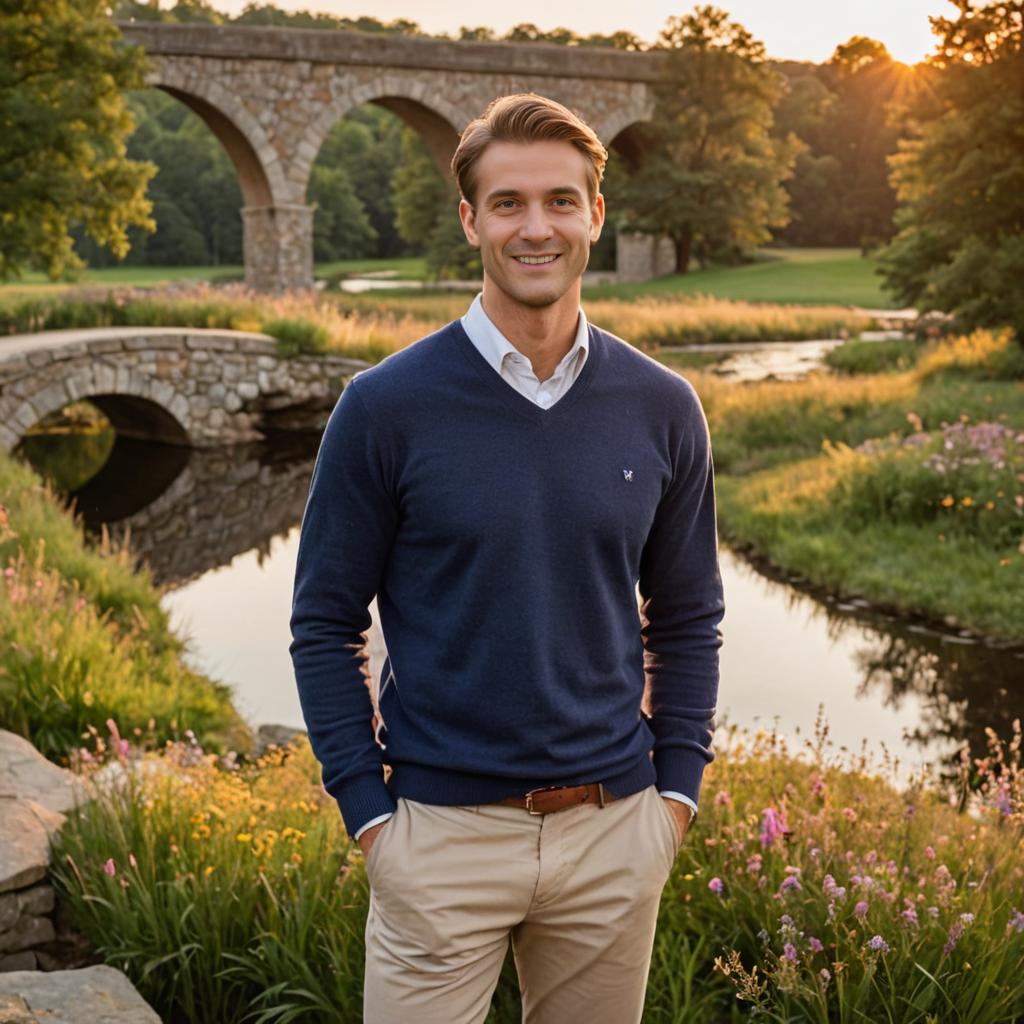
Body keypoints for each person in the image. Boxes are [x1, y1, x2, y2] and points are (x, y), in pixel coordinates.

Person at [289, 92, 724, 1024]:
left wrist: (675, 796)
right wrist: (368, 815)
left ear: (596, 215)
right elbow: (324, 624)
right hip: (440, 840)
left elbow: (688, 617)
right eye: (509, 204)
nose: (537, 227)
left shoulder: (663, 406)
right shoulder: (383, 407)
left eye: (562, 201)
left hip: (617, 832)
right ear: (470, 220)